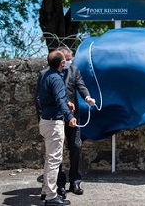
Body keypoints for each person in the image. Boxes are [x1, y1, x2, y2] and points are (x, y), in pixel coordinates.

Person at [35, 47, 96, 199]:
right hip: (57, 118)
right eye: (66, 60)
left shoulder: (74, 71)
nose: (68, 62)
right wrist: (45, 115)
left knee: (75, 146)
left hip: (71, 118)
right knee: (55, 155)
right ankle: (58, 185)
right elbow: (42, 98)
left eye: (70, 59)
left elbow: (81, 86)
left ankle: (74, 180)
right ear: (61, 61)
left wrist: (87, 97)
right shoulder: (48, 75)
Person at [38, 50, 77, 206]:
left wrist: (66, 104)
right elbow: (60, 100)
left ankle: (46, 191)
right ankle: (51, 197)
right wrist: (70, 117)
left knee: (49, 159)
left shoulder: (46, 76)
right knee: (54, 160)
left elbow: (50, 98)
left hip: (46, 120)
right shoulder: (57, 79)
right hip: (54, 123)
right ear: (62, 64)